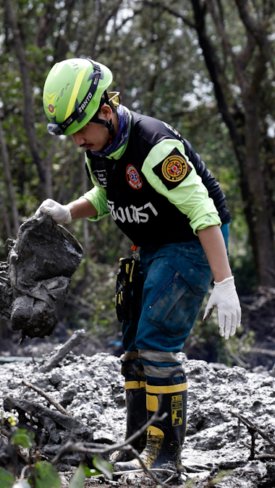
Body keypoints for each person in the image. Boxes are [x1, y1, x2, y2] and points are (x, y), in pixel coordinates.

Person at [37, 58, 242, 473]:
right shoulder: (98, 149)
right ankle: (135, 447)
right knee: (132, 351)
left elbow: (203, 212)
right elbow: (105, 196)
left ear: (106, 113)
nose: (77, 142)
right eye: (71, 135)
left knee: (156, 346)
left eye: (80, 131)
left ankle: (165, 459)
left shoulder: (155, 146)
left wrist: (224, 281)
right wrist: (66, 212)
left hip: (189, 243)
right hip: (147, 247)